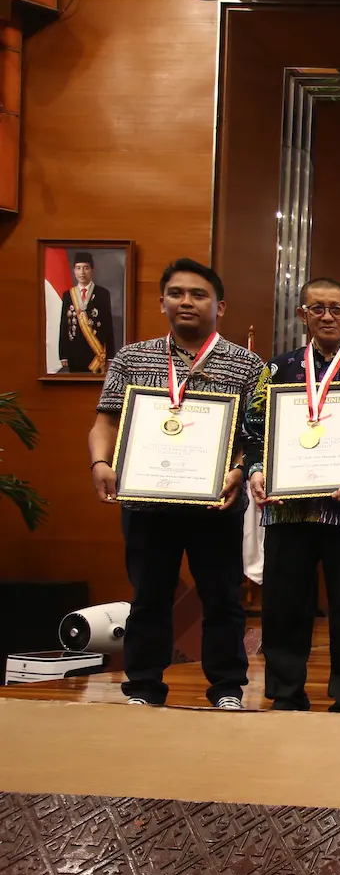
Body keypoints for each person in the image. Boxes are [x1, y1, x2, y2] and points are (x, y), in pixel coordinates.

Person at [86, 258, 262, 709]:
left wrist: (238, 471)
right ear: (162, 300)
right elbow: (105, 422)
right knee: (149, 598)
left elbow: (254, 436)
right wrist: (100, 462)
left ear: (219, 306)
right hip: (147, 503)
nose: (186, 301)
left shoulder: (247, 365)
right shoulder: (132, 357)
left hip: (215, 505)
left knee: (222, 599)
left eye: (198, 294)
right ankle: (143, 687)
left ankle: (226, 689)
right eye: (177, 293)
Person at [240, 277, 340, 713]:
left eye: (336, 309)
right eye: (317, 308)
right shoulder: (277, 370)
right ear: (302, 314)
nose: (327, 316)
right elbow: (253, 431)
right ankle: (286, 693)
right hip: (287, 510)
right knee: (285, 607)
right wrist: (257, 471)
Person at [59, 251, 116, 374]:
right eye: (78, 268)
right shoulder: (68, 295)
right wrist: (63, 354)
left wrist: (110, 355)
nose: (82, 272)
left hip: (96, 352)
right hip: (74, 352)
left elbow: (108, 325)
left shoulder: (102, 294)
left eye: (86, 268)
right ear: (74, 270)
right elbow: (64, 326)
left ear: (92, 270)